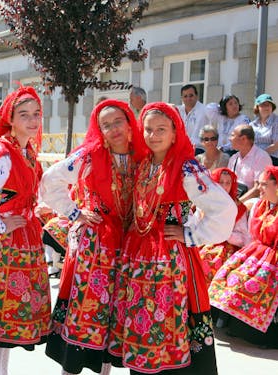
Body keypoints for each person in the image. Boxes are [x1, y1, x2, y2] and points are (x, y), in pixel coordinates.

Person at [108, 102, 236, 374]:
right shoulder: (144, 164)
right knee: (143, 324)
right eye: (149, 129)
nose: (153, 135)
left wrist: (191, 233)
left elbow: (224, 208)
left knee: (169, 322)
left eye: (161, 129)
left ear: (176, 132)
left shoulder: (186, 168)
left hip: (169, 259)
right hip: (138, 256)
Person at [40, 99, 147, 375]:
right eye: (106, 125)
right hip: (95, 246)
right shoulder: (88, 156)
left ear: (129, 121)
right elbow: (50, 180)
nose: (113, 129)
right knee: (85, 310)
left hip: (126, 243)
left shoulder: (142, 156)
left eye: (118, 122)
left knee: (113, 315)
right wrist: (75, 212)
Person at [0, 86, 51, 375]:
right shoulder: (3, 152)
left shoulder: (25, 151)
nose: (32, 120)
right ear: (11, 119)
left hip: (22, 238)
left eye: (36, 114)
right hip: (7, 243)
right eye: (24, 114)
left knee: (8, 322)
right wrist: (0, 224)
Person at [209, 165, 278, 349]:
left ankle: (257, 332)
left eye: (264, 184)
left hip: (274, 258)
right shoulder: (260, 204)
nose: (259, 188)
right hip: (257, 252)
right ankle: (227, 322)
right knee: (228, 274)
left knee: (251, 283)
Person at [199, 168, 250, 285]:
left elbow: (244, 238)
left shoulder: (238, 207)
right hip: (205, 240)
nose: (224, 186)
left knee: (205, 262)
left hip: (225, 247)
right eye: (221, 182)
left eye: (228, 183)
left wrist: (224, 233)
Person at [228, 124, 272, 201]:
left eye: (232, 135)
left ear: (244, 139)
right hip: (234, 199)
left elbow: (258, 189)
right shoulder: (234, 158)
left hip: (251, 202)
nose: (230, 139)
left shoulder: (261, 157)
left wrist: (237, 204)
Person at [177, 84, 209, 153]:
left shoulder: (205, 110)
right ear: (182, 98)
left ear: (196, 96)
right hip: (181, 147)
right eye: (185, 96)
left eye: (191, 95)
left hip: (199, 148)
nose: (188, 98)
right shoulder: (178, 111)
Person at [250, 93, 278, 165]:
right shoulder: (252, 124)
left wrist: (260, 155)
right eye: (263, 105)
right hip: (254, 158)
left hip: (272, 158)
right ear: (257, 107)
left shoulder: (276, 121)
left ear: (272, 107)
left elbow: (275, 145)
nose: (266, 107)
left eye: (268, 105)